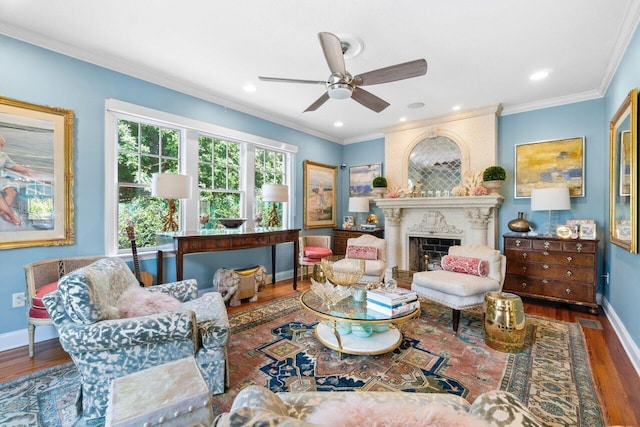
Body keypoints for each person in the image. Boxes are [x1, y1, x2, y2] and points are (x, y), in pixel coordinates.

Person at [0, 134, 32, 226]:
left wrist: (26, 170)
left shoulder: (3, 156)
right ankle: (11, 215)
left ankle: (3, 212)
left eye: (1, 146)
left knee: (12, 191)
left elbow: (12, 166)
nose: (0, 148)